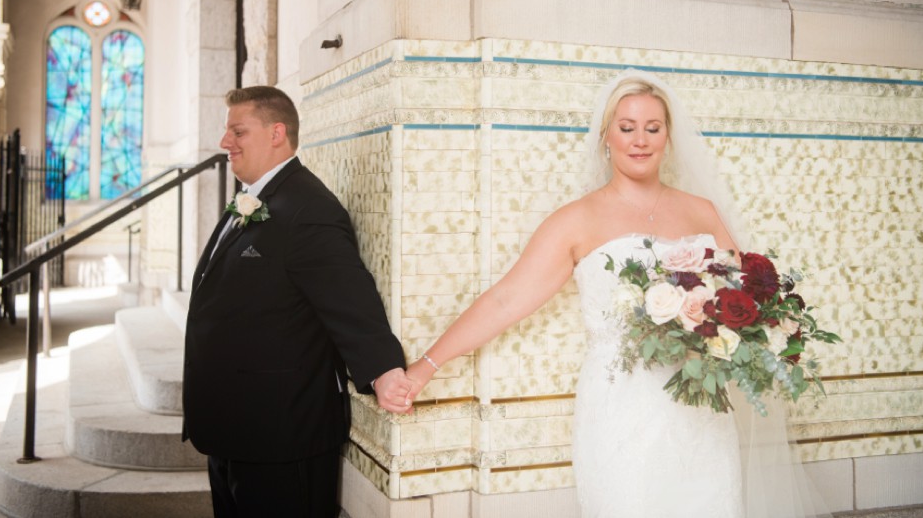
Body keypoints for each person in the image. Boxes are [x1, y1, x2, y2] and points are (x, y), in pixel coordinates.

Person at [400, 71, 831, 518]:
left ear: (668, 136)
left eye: (652, 128)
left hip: (699, 403)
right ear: (606, 136)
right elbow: (506, 300)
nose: (640, 140)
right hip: (621, 403)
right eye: (627, 128)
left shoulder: (701, 211)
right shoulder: (575, 220)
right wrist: (425, 367)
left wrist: (771, 328)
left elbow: (744, 300)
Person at [182, 86, 411, 518]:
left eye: (238, 131)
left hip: (280, 436)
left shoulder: (309, 208)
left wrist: (383, 370)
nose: (224, 142)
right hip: (233, 427)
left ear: (276, 133)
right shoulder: (255, 197)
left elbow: (347, 297)